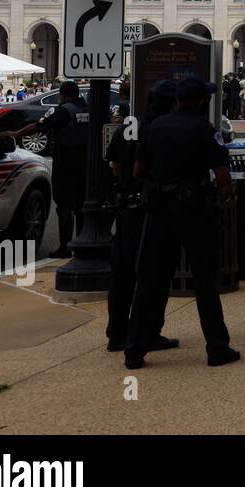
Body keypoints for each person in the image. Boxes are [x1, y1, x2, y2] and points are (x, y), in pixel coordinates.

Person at [125, 76, 238, 368]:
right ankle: (216, 348)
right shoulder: (203, 129)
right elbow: (222, 175)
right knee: (205, 282)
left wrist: (162, 180)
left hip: (159, 211)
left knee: (149, 280)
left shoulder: (153, 127)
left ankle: (134, 350)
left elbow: (138, 170)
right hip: (193, 211)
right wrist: (221, 199)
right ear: (201, 102)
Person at [104, 80, 179, 354]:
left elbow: (115, 166)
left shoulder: (128, 126)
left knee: (122, 274)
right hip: (153, 210)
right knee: (154, 275)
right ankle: (147, 333)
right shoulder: (161, 130)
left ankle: (116, 333)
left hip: (125, 208)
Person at [0, 80, 88, 258]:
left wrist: (15, 134)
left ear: (62, 95)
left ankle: (65, 247)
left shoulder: (62, 110)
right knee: (81, 206)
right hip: (87, 165)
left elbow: (37, 126)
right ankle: (83, 244)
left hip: (66, 164)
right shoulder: (89, 109)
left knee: (64, 206)